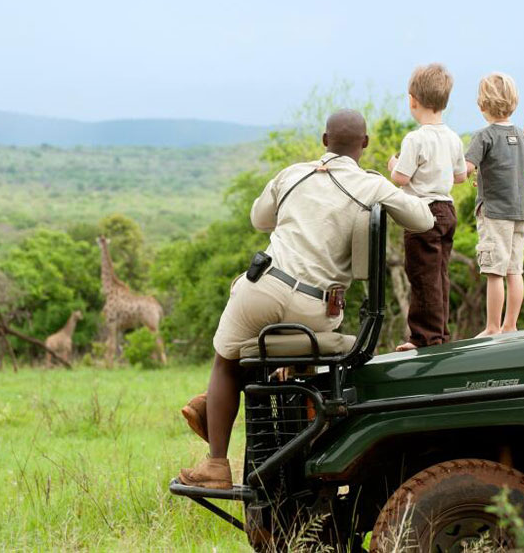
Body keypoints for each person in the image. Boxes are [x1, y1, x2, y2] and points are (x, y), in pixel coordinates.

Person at [177, 109, 434, 490]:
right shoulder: (370, 184)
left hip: (265, 287)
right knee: (260, 350)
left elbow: (259, 220)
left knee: (226, 360)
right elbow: (425, 220)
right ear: (363, 144)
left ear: (324, 140)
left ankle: (216, 462)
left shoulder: (294, 174)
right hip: (319, 308)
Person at [387, 63, 467, 351]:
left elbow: (401, 178)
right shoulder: (453, 137)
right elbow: (460, 176)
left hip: (422, 213)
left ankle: (425, 338)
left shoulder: (415, 139)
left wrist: (393, 164)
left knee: (422, 276)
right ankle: (440, 334)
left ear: (413, 100)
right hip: (447, 210)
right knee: (439, 274)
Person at [464, 72, 524, 336]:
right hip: (520, 212)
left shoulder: (483, 136)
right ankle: (510, 325)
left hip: (495, 213)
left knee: (494, 271)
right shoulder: (521, 134)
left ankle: (492, 327)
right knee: (514, 270)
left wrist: (471, 171)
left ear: (482, 105)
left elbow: (466, 167)